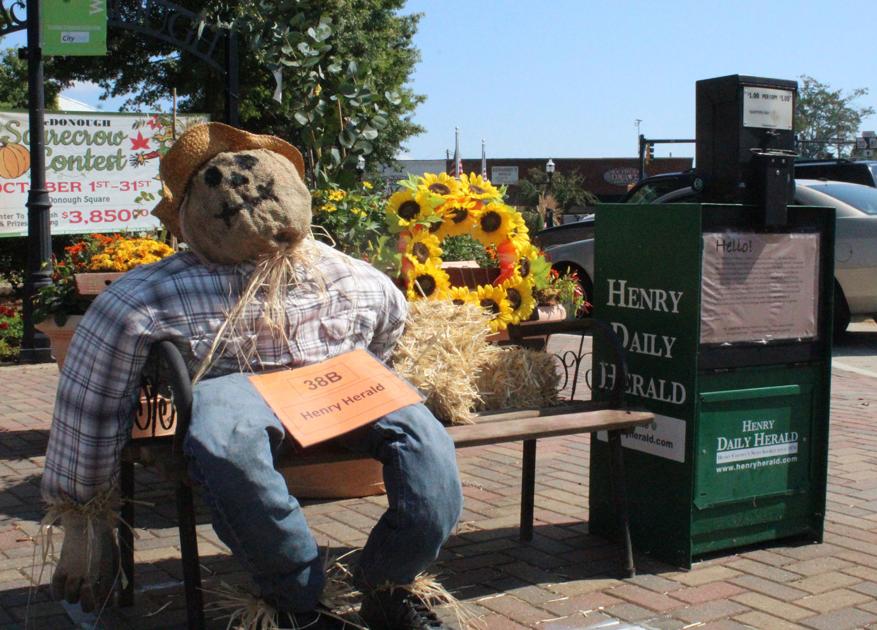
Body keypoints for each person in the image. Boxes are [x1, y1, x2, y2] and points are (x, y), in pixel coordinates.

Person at [41, 122, 463, 629]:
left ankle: (388, 584)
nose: (243, 193)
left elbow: (385, 332)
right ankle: (296, 600)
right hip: (235, 388)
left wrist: (359, 392)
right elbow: (92, 404)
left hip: (334, 383)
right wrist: (86, 521)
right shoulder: (148, 296)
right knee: (229, 440)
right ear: (188, 215)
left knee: (427, 443)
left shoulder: (348, 275)